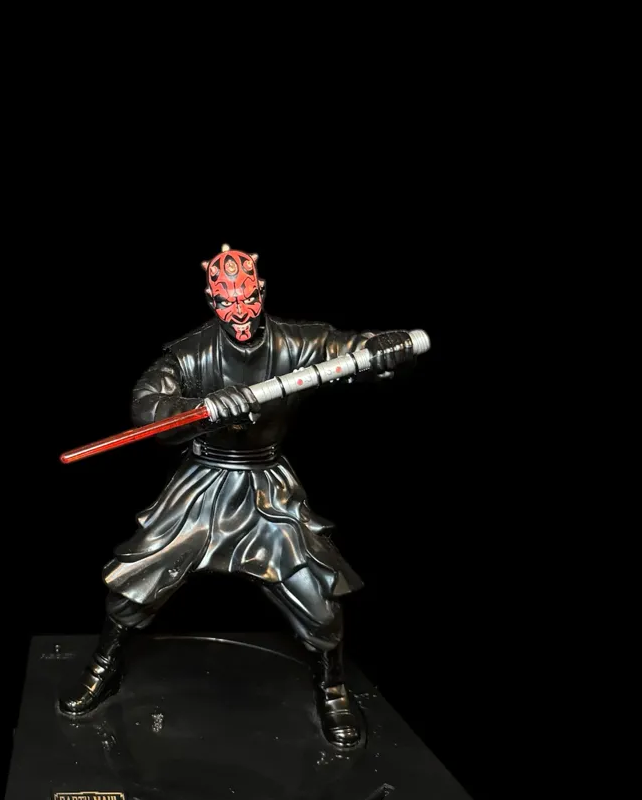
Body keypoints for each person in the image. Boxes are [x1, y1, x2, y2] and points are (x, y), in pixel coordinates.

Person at [58, 246, 417, 750]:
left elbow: (348, 349)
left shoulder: (297, 341)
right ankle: (104, 667)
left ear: (261, 292)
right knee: (136, 578)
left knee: (318, 592)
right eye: (227, 304)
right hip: (203, 484)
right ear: (212, 302)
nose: (240, 314)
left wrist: (382, 347)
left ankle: (333, 688)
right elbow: (147, 404)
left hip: (268, 486)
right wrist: (200, 407)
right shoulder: (191, 353)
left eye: (247, 300)